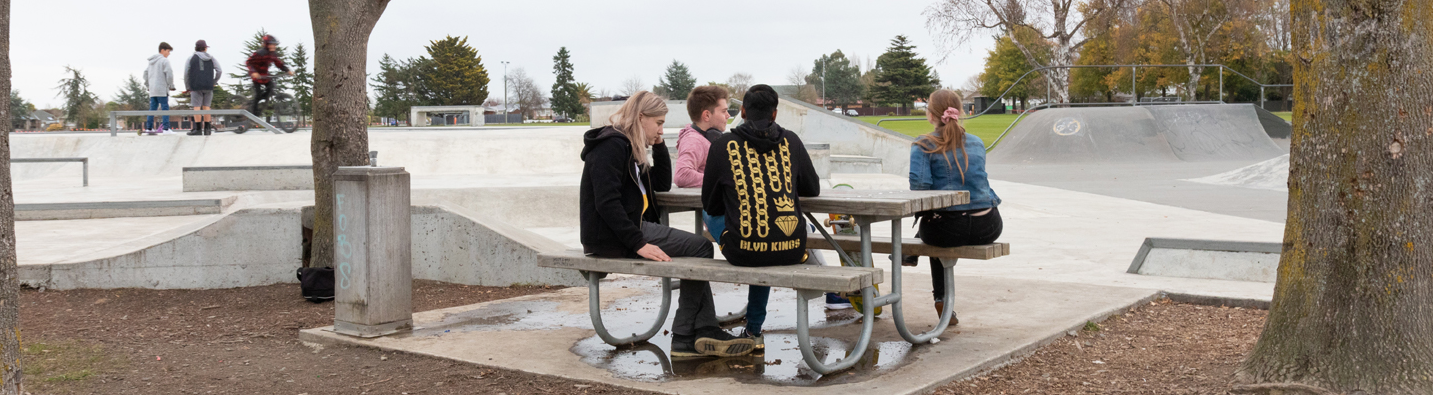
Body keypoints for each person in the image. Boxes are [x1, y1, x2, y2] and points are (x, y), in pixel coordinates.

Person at [579, 91, 755, 358]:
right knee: (700, 248)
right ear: (641, 117)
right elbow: (607, 203)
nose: (661, 128)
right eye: (658, 123)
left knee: (699, 249)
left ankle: (702, 329)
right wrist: (638, 244)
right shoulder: (611, 146)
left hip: (627, 231)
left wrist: (659, 145)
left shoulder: (629, 145)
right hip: (613, 237)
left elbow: (660, 184)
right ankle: (687, 334)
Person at [701, 84, 822, 346]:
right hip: (792, 247)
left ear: (743, 111)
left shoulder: (723, 146)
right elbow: (813, 188)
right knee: (763, 231)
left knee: (752, 232)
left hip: (743, 250)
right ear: (774, 114)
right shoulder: (791, 141)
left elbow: (711, 206)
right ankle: (753, 328)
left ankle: (752, 331)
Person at [907, 89, 1004, 323]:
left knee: (936, 225)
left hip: (949, 229)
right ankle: (916, 250)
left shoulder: (923, 145)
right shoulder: (977, 143)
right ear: (960, 112)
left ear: (930, 115)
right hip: (989, 225)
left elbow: (920, 187)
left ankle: (941, 297)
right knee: (941, 222)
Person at [245, 35, 292, 116]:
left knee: (270, 88)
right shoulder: (259, 53)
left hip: (265, 76)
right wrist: (253, 72)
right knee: (258, 94)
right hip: (256, 76)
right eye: (272, 44)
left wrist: (287, 70)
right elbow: (248, 62)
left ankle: (261, 101)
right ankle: (253, 114)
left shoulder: (272, 54)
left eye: (275, 45)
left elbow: (278, 63)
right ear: (267, 45)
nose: (274, 46)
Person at [183, 40, 222, 136]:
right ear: (205, 48)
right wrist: (214, 82)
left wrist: (188, 86)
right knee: (206, 106)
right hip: (208, 86)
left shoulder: (191, 58)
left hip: (196, 86)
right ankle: (208, 130)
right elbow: (219, 71)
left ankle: (198, 129)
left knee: (197, 107)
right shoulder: (211, 58)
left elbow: (186, 73)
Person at [144, 42, 176, 135]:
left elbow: (145, 74)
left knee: (152, 109)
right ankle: (166, 129)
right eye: (168, 51)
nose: (169, 53)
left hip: (153, 89)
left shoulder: (151, 62)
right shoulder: (164, 61)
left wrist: (148, 85)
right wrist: (171, 85)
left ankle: (149, 128)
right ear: (162, 50)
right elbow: (169, 73)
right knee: (165, 107)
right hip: (162, 88)